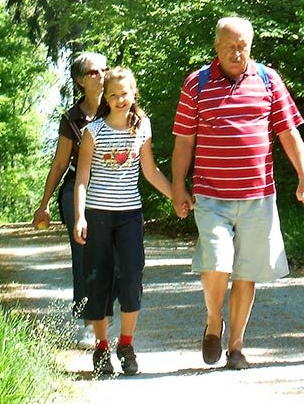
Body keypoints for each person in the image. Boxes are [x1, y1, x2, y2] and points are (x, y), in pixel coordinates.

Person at [171, 16, 304, 370]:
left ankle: (236, 347)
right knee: (217, 262)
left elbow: (288, 134)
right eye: (229, 47)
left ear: (251, 46)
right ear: (216, 47)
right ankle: (213, 321)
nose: (237, 54)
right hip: (210, 195)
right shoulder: (197, 83)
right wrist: (178, 185)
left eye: (243, 47)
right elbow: (184, 141)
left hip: (258, 194)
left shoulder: (269, 80)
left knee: (247, 272)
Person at [73, 66, 174, 377]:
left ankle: (126, 344)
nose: (119, 100)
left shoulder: (142, 127)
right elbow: (82, 178)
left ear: (134, 94)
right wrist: (79, 216)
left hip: (130, 215)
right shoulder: (93, 132)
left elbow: (151, 171)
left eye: (124, 94)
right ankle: (101, 347)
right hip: (98, 216)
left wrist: (177, 197)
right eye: (113, 94)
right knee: (99, 281)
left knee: (131, 278)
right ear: (105, 96)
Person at [31, 52, 109, 347]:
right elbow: (60, 163)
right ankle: (90, 320)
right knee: (84, 257)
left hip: (113, 191)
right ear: (79, 80)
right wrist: (44, 204)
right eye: (93, 72)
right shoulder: (71, 119)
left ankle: (103, 313)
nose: (101, 75)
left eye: (105, 69)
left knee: (116, 260)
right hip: (76, 190)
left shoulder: (118, 105)